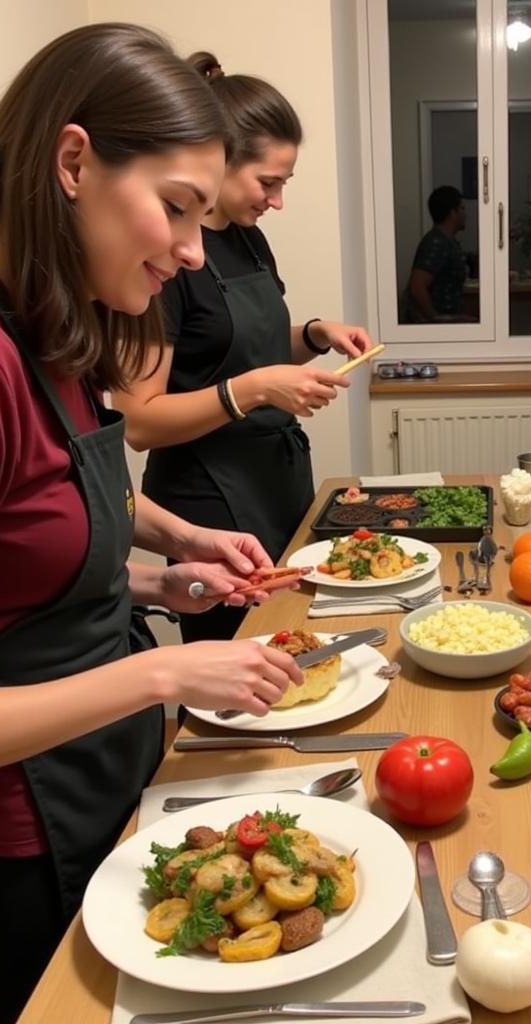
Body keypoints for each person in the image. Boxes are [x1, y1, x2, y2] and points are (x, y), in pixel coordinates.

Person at [0, 25, 304, 1024]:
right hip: (20, 838)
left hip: (109, 771)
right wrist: (167, 670)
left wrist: (163, 566)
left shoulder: (47, 313)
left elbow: (35, 530)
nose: (190, 252)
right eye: (176, 210)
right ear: (72, 160)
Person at [112, 54, 374, 644]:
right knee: (242, 668)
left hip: (277, 480)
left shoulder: (250, 243)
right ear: (220, 160)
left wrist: (310, 336)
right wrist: (254, 391)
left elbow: (239, 348)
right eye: (268, 182)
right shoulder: (166, 257)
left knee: (299, 646)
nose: (277, 200)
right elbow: (139, 419)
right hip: (207, 499)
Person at [402, 184, 469, 322]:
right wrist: (436, 319)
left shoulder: (449, 241)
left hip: (450, 315)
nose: (465, 214)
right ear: (452, 212)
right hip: (438, 324)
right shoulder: (437, 243)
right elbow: (417, 286)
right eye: (462, 208)